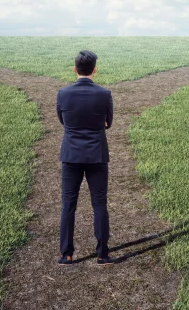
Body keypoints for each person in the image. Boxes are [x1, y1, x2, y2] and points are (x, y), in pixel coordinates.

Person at [55, 50, 115, 265]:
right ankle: (102, 253)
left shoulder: (63, 93)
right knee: (99, 204)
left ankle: (66, 254)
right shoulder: (104, 94)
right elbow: (108, 123)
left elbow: (63, 120)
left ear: (75, 69)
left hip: (71, 155)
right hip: (97, 155)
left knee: (68, 205)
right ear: (95, 69)